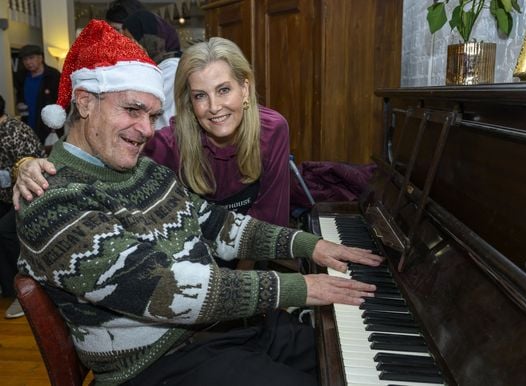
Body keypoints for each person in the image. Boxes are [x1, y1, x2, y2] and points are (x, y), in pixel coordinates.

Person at [16, 20, 381, 386]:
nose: (145, 129)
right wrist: (303, 287)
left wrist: (310, 245)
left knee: (354, 361)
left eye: (153, 115)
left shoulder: (146, 171)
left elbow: (216, 224)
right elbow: (161, 288)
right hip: (159, 362)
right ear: (83, 102)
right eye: (132, 110)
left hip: (220, 328)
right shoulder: (50, 199)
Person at [15, 38, 291, 229]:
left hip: (253, 250)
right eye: (200, 96)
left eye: (223, 90)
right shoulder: (169, 143)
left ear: (244, 89)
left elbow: (271, 216)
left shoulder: (271, 129)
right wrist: (29, 164)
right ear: (189, 103)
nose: (214, 107)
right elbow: (98, 152)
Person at [0, 94, 46, 318]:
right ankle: (9, 287)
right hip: (5, 196)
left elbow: (30, 172)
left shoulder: (15, 132)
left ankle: (26, 291)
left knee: (5, 230)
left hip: (32, 193)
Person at [122, 9, 181, 129]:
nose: (126, 47)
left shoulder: (171, 68)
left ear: (147, 39)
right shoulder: (158, 66)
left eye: (130, 41)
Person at [13, 44, 61, 144]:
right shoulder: (21, 76)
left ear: (40, 58)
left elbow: (63, 101)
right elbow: (19, 96)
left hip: (49, 128)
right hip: (27, 126)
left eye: (31, 58)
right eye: (25, 59)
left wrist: (56, 124)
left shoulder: (53, 75)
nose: (28, 62)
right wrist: (19, 103)